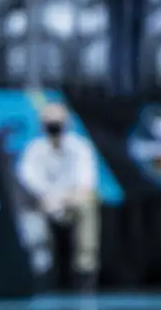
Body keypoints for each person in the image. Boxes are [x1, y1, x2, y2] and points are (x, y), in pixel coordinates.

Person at [15, 102, 102, 291]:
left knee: (88, 204)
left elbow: (86, 183)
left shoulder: (80, 147)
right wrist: (47, 198)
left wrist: (64, 198)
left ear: (67, 122)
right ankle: (41, 272)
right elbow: (28, 180)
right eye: (49, 121)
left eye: (57, 121)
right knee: (28, 213)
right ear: (41, 124)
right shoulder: (34, 149)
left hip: (71, 201)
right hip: (43, 203)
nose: (53, 125)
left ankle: (85, 270)